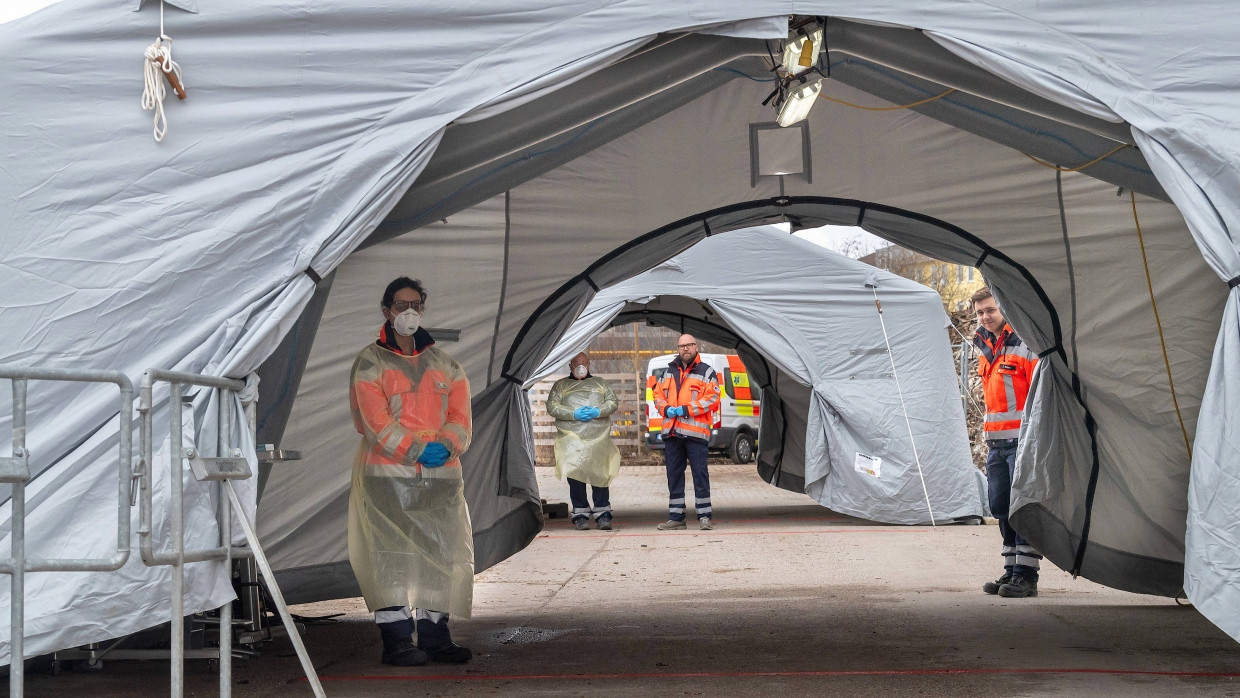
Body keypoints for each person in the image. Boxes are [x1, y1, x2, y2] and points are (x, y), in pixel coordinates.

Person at [348, 277, 475, 666]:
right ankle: (397, 641)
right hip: (387, 476)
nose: (409, 313)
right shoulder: (370, 362)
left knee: (439, 553)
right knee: (390, 556)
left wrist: (448, 445)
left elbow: (460, 416)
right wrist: (418, 449)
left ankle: (436, 637)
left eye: (416, 305)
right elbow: (374, 422)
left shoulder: (445, 364)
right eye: (401, 306)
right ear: (386, 311)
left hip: (440, 477)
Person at [972, 286, 1043, 598]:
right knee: (1001, 506)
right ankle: (1010, 569)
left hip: (1021, 442)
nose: (985, 317)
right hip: (996, 444)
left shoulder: (1025, 344)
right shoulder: (987, 346)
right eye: (980, 313)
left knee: (1020, 507)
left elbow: (1039, 395)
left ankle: (1026, 576)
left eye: (990, 310)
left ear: (1004, 308)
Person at [545, 352, 621, 530]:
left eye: (584, 363)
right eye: (577, 363)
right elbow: (552, 406)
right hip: (572, 439)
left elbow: (612, 402)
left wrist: (597, 411)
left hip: (598, 439)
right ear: (570, 366)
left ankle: (603, 514)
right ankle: (580, 514)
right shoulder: (561, 385)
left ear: (589, 364)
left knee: (600, 474)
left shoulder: (600, 383)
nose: (581, 366)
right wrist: (573, 414)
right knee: (575, 476)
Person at [652, 334, 721, 531]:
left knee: (700, 474)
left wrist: (686, 409)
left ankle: (704, 516)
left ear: (696, 347)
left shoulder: (707, 372)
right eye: (682, 346)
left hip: (695, 434)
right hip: (672, 433)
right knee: (673, 475)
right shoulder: (668, 372)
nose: (685, 349)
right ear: (678, 348)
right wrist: (665, 409)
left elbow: (712, 399)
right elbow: (657, 395)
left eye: (689, 345)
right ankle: (676, 517)